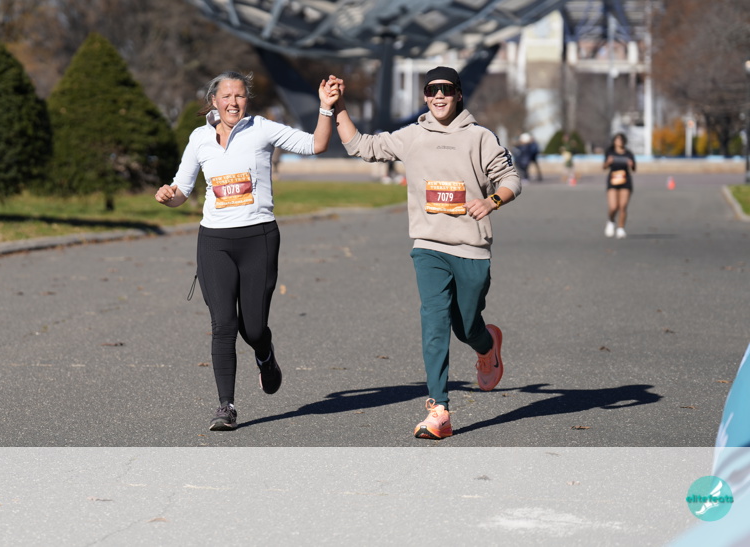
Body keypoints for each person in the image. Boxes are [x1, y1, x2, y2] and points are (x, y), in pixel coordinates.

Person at [327, 66, 521, 439]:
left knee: (467, 327)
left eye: (446, 89)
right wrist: (338, 107)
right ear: (425, 96)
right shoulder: (413, 136)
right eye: (432, 90)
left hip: (472, 247)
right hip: (429, 247)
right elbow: (362, 146)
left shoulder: (480, 137)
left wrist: (492, 201)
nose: (439, 96)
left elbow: (511, 178)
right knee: (434, 323)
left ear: (458, 94)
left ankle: (487, 345)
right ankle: (439, 409)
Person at [155, 70, 341, 431]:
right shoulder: (199, 138)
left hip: (258, 238)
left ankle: (265, 354)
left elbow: (316, 145)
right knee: (223, 324)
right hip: (214, 241)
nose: (233, 102)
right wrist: (168, 196)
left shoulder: (262, 129)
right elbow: (182, 191)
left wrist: (325, 108)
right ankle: (226, 406)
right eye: (226, 96)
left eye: (239, 96)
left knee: (253, 328)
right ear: (213, 101)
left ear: (247, 99)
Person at [603, 132, 636, 239]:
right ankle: (611, 220)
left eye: (621, 140)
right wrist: (608, 162)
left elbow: (634, 168)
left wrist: (631, 164)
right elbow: (604, 167)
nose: (619, 142)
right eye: (617, 140)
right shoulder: (610, 152)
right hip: (613, 181)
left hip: (625, 181)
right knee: (613, 206)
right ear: (614, 141)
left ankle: (621, 228)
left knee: (623, 206)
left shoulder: (628, 153)